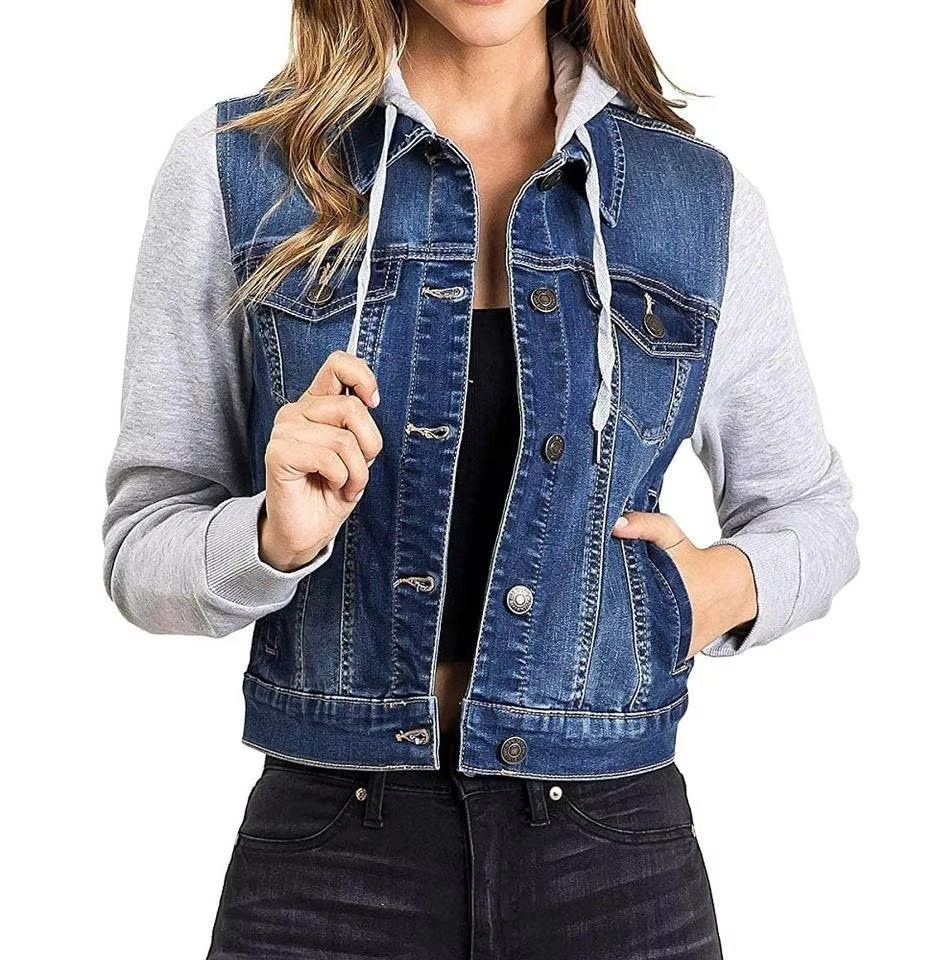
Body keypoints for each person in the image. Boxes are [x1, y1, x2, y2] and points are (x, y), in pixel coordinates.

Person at [101, 1, 860, 957]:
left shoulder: (693, 199)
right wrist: (269, 541)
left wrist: (715, 591)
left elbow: (812, 515)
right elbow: (142, 547)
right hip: (330, 858)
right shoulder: (243, 169)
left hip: (615, 861)